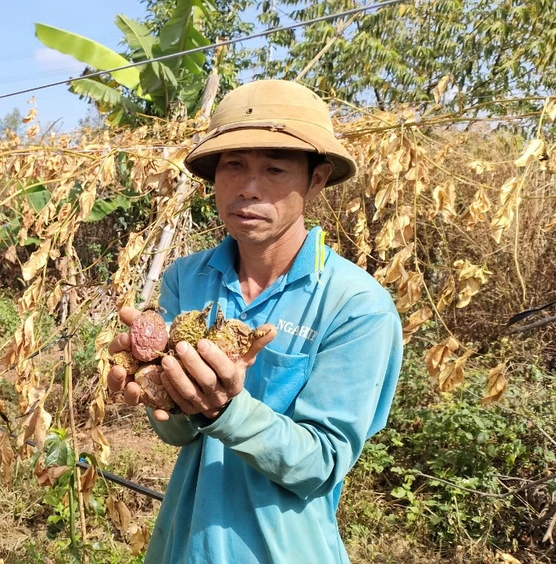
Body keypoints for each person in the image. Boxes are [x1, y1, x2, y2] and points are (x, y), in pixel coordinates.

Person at [107, 80, 403, 563]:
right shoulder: (187, 277)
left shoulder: (355, 306)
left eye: (274, 168)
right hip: (185, 543)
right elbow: (177, 435)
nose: (248, 187)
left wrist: (227, 409)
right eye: (234, 166)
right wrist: (160, 391)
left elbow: (322, 464)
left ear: (318, 178)